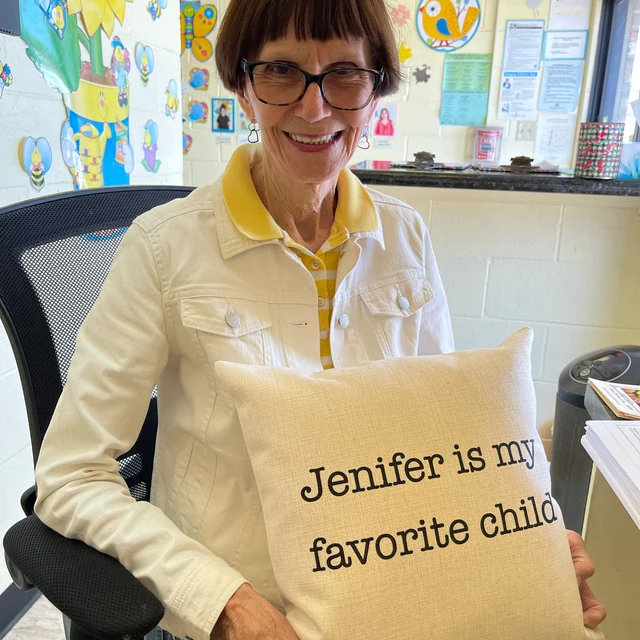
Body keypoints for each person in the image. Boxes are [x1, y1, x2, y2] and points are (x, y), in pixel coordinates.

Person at [33, 0, 606, 639]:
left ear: (375, 90)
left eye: (344, 74)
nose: (314, 108)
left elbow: (439, 447)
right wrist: (223, 602)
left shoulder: (405, 237)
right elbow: (70, 478)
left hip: (385, 589)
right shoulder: (163, 249)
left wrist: (519, 550)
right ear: (243, 87)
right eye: (281, 70)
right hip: (240, 606)